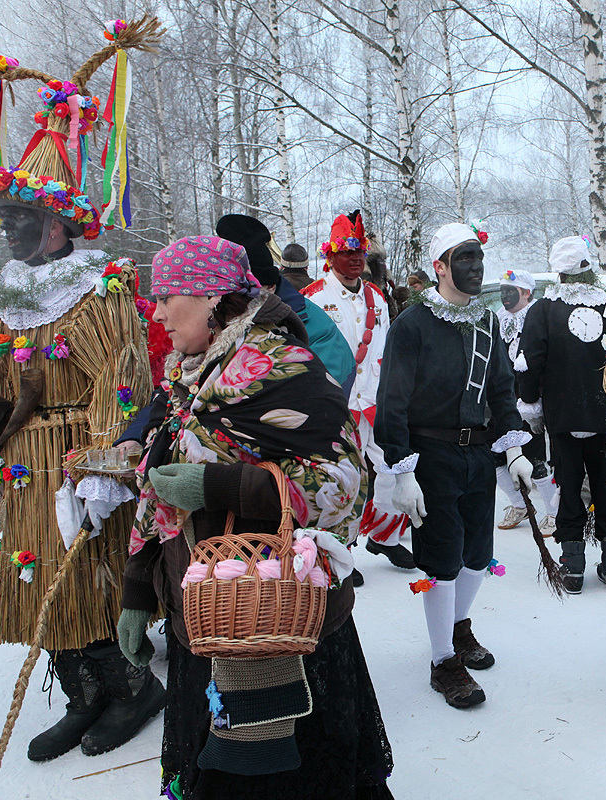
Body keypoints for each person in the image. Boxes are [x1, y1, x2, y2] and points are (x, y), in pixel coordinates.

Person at [0, 37, 165, 763]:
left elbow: (121, 380)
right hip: (22, 467)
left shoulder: (100, 288)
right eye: (3, 221)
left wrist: (104, 464)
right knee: (36, 579)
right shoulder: (5, 299)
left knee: (90, 583)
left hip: (77, 464)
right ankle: (81, 695)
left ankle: (130, 689)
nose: (7, 231)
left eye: (22, 219)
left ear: (60, 222)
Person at [117, 235, 392, 799]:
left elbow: (342, 485)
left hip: (283, 624)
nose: (159, 311)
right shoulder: (190, 374)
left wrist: (219, 485)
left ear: (214, 298)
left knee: (292, 781)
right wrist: (139, 589)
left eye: (169, 296)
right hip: (209, 615)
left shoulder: (285, 370)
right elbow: (160, 484)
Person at [375, 222, 534, 709]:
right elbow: (392, 403)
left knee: (477, 556)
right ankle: (444, 659)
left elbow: (503, 390)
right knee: (440, 562)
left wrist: (515, 451)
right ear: (439, 267)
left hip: (478, 454)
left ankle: (458, 627)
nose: (474, 268)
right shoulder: (412, 324)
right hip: (430, 457)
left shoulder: (487, 322)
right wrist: (402, 471)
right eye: (463, 259)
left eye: (478, 259)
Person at [304, 211, 415, 571]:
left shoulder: (377, 298)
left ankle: (385, 538)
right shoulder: (313, 299)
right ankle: (340, 550)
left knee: (391, 470)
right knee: (341, 480)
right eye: (346, 253)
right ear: (330, 256)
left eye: (360, 253)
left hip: (376, 401)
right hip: (336, 404)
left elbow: (384, 349)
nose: (354, 259)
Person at [517, 242, 606, 593]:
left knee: (567, 488)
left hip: (563, 418)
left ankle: (573, 567)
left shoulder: (543, 310)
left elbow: (529, 363)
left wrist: (530, 404)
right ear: (589, 268)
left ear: (558, 272)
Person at [215, 214, 355, 395]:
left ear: (268, 287)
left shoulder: (313, 323)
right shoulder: (209, 317)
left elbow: (327, 396)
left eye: (244, 293)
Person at [495, 268, 557, 534]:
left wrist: (534, 400)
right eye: (503, 292)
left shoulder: (537, 317)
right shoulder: (498, 319)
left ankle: (555, 513)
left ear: (526, 293)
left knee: (534, 459)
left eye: (511, 292)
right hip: (502, 399)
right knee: (496, 456)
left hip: (530, 400)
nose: (505, 297)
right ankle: (520, 504)